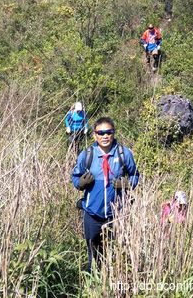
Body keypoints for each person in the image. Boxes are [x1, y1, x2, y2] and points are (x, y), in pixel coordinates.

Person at [72, 117, 140, 273]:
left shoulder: (124, 153)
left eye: (108, 132)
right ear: (94, 135)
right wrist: (80, 183)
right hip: (91, 214)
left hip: (117, 213)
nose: (105, 136)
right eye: (100, 132)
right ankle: (92, 284)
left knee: (115, 252)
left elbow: (135, 175)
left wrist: (128, 183)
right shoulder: (87, 154)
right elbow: (75, 177)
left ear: (113, 133)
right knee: (93, 254)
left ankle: (113, 282)